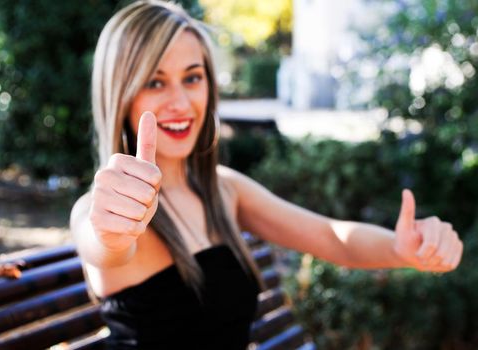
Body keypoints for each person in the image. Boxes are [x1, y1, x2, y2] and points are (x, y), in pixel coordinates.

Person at [70, 1, 464, 349]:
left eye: (192, 77)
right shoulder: (100, 210)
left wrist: (400, 248)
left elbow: (330, 237)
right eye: (155, 82)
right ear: (120, 93)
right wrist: (110, 232)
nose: (180, 101)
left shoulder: (224, 189)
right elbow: (104, 245)